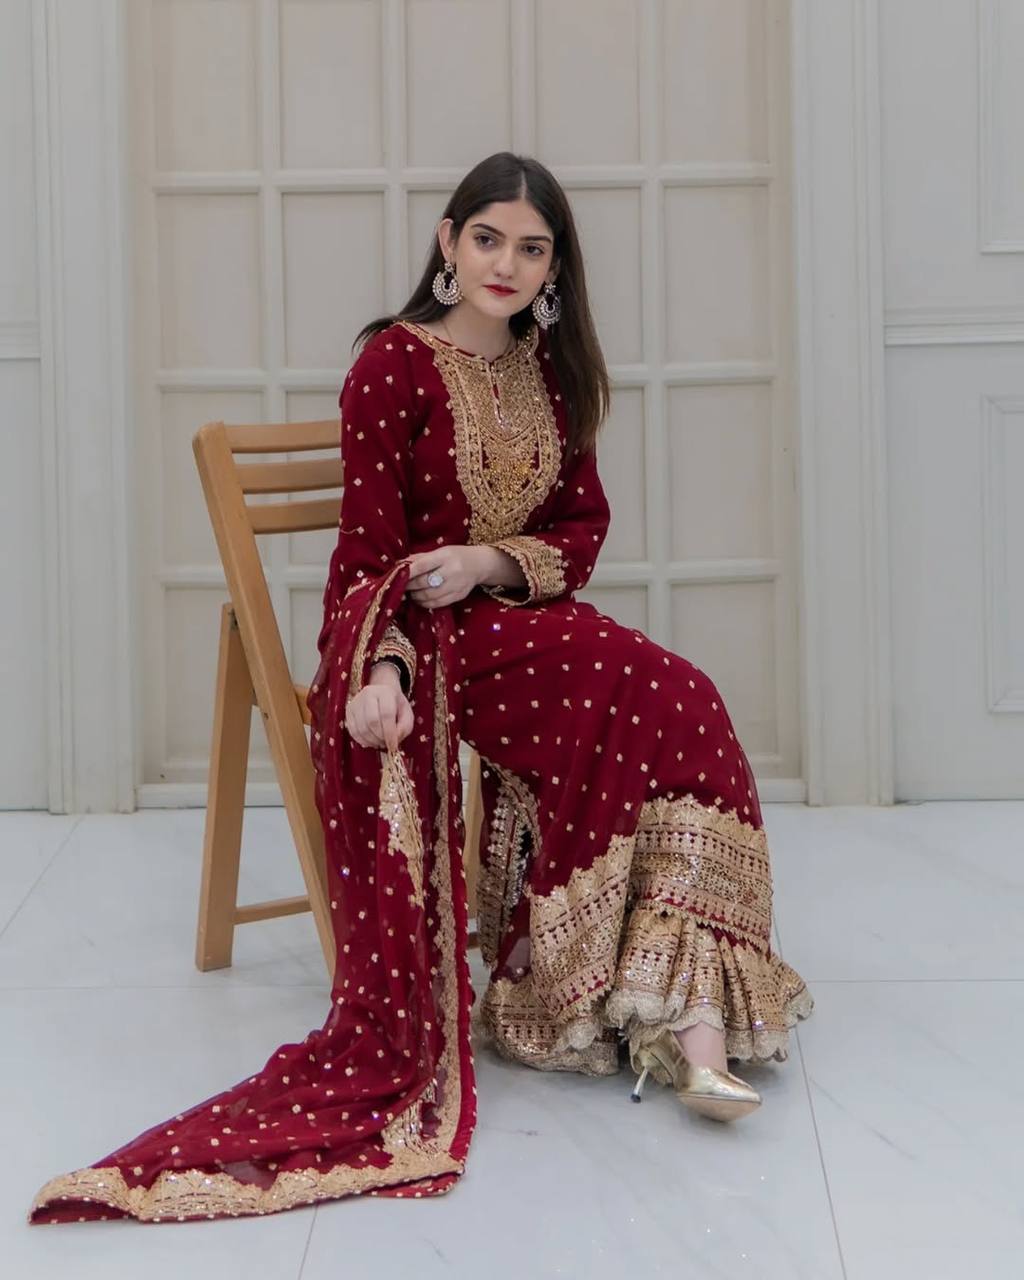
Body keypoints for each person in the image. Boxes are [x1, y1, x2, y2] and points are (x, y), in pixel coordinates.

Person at [29, 151, 812, 1226]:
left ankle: (685, 1014)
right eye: (487, 238)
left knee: (680, 698)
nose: (506, 264)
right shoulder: (391, 366)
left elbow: (579, 533)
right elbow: (364, 559)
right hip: (430, 648)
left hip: (517, 619)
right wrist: (384, 667)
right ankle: (591, 985)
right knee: (637, 688)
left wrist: (488, 562)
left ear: (553, 269)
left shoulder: (551, 371)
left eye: (531, 248)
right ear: (448, 241)